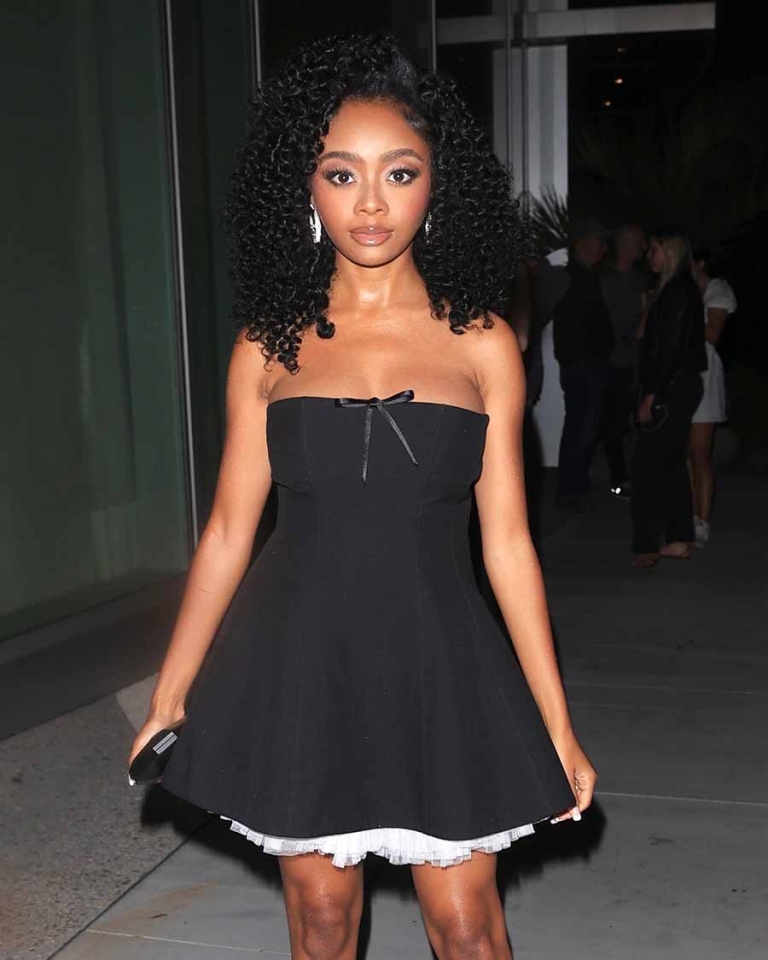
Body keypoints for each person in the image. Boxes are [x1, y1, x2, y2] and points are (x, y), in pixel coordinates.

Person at [128, 36, 596, 959]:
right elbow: (228, 531)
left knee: (468, 929)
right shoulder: (269, 344)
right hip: (299, 658)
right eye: (342, 173)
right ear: (305, 187)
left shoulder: (483, 344)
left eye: (400, 173)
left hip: (440, 656)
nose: (371, 203)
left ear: (437, 186)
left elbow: (507, 543)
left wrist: (555, 722)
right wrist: (171, 691)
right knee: (322, 922)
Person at [631, 227, 706, 569]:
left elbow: (669, 350)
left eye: (654, 250)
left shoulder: (678, 292)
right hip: (677, 385)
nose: (649, 256)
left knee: (647, 464)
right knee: (671, 463)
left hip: (671, 387)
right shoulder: (675, 289)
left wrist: (651, 394)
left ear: (670, 252)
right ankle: (678, 538)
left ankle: (648, 544)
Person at [552, 217, 615, 509]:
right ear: (584, 244)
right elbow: (574, 326)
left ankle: (574, 485)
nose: (603, 248)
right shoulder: (573, 278)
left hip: (586, 363)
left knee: (582, 425)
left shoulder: (586, 277)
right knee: (581, 426)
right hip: (582, 364)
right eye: (599, 242)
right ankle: (570, 488)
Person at [688, 245, 737, 546]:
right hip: (677, 377)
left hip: (705, 376)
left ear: (700, 263)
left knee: (699, 452)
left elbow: (713, 333)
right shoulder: (678, 289)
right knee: (683, 452)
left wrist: (683, 312)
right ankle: (688, 515)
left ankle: (702, 521)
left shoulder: (717, 289)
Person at [599, 224, 648, 498]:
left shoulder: (639, 279)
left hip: (635, 363)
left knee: (636, 422)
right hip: (614, 363)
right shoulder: (606, 281)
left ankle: (633, 475)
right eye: (639, 242)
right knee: (615, 424)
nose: (644, 248)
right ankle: (619, 478)